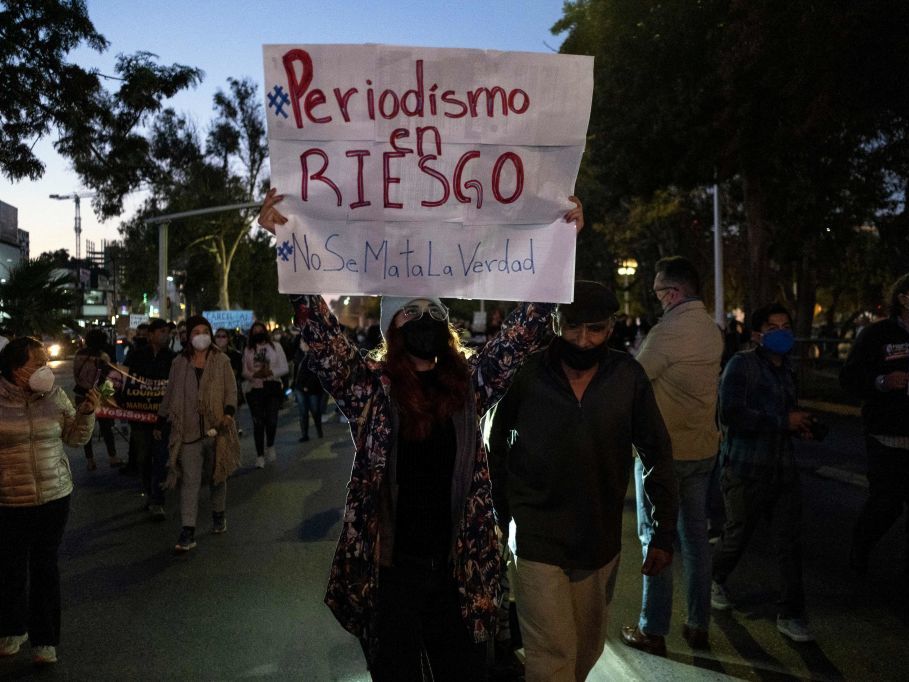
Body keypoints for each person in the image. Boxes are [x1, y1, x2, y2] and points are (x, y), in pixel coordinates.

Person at [257, 186, 584, 681]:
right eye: (411, 314)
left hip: (457, 566)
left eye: (434, 313)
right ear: (392, 331)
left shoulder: (470, 386)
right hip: (390, 571)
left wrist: (562, 241)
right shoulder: (370, 390)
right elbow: (320, 336)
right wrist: (285, 243)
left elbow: (523, 334)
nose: (425, 320)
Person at [486, 280, 677, 681]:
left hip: (598, 538)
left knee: (586, 648)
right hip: (536, 535)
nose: (584, 340)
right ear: (556, 322)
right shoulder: (526, 373)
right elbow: (494, 447)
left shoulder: (629, 377)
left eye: (596, 329)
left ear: (611, 328)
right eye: (574, 326)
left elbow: (657, 453)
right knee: (552, 651)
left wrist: (663, 532)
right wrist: (499, 519)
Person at [621, 256, 723, 655]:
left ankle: (653, 627)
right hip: (703, 450)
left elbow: (635, 380)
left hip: (664, 456)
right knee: (696, 540)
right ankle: (698, 624)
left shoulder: (668, 333)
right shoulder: (712, 331)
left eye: (661, 292)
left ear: (675, 292)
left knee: (655, 539)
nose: (659, 299)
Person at [711, 303, 816, 642]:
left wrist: (798, 426)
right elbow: (731, 413)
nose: (782, 332)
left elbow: (784, 413)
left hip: (782, 469)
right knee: (738, 535)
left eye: (786, 326)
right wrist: (781, 422)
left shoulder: (786, 369)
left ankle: (791, 613)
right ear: (757, 334)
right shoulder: (741, 366)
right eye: (773, 327)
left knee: (789, 543)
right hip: (745, 468)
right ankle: (713, 578)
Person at [0, 336, 99, 665]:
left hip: (54, 496)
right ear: (15, 369)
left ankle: (45, 641)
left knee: (45, 568)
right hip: (9, 499)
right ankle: (13, 628)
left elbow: (75, 438)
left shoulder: (56, 397)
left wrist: (86, 414)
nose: (45, 370)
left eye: (46, 362)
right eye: (37, 364)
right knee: (10, 568)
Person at [840, 272, 909, 575]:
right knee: (886, 504)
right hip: (888, 436)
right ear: (903, 298)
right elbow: (849, 378)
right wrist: (882, 381)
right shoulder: (877, 335)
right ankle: (860, 551)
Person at [156, 315, 239, 553]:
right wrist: (160, 421)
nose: (201, 335)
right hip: (188, 433)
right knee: (190, 482)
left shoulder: (221, 360)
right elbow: (170, 394)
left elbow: (231, 391)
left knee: (217, 476)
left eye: (205, 331)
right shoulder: (178, 363)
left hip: (218, 430)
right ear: (188, 336)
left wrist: (228, 413)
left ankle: (218, 514)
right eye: (196, 332)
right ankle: (188, 531)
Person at [123, 318, 176, 516]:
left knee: (161, 457)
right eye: (162, 331)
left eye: (167, 332)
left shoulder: (173, 358)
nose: (166, 336)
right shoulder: (136, 355)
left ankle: (157, 500)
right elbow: (124, 378)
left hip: (163, 418)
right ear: (151, 334)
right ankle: (149, 490)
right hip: (140, 418)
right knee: (144, 458)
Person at [72, 328, 123, 471]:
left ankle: (90, 461)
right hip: (98, 396)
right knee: (106, 427)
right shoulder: (103, 356)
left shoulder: (78, 355)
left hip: (81, 394)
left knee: (86, 427)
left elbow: (76, 374)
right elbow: (110, 378)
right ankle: (113, 457)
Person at [242, 321, 288, 468]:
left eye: (260, 331)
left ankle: (270, 445)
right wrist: (254, 374)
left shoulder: (276, 347)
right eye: (254, 332)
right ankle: (259, 455)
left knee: (272, 420)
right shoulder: (248, 350)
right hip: (255, 389)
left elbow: (284, 367)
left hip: (272, 387)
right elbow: (244, 371)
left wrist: (271, 372)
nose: (257, 334)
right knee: (258, 423)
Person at [214, 327, 245, 437]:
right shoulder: (209, 355)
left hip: (231, 392)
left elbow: (236, 373)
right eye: (218, 336)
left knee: (231, 418)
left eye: (223, 336)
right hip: (214, 393)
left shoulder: (235, 355)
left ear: (228, 338)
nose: (221, 339)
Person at [293, 337, 324, 442]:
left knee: (315, 411)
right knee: (303, 412)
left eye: (306, 342)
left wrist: (308, 386)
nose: (304, 344)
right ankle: (304, 434)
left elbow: (317, 374)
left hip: (313, 388)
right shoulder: (298, 355)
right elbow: (296, 373)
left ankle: (319, 429)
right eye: (302, 342)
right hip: (299, 388)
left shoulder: (315, 355)